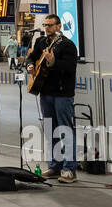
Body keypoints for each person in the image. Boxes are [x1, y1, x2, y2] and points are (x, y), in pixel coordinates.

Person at [27, 14, 80, 183]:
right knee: (50, 130)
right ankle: (54, 166)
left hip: (62, 94)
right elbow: (33, 57)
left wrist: (53, 61)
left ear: (58, 26)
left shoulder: (67, 45)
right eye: (45, 25)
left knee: (65, 130)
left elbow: (70, 67)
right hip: (46, 92)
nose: (47, 28)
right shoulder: (40, 42)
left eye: (50, 25)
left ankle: (69, 169)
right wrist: (29, 64)